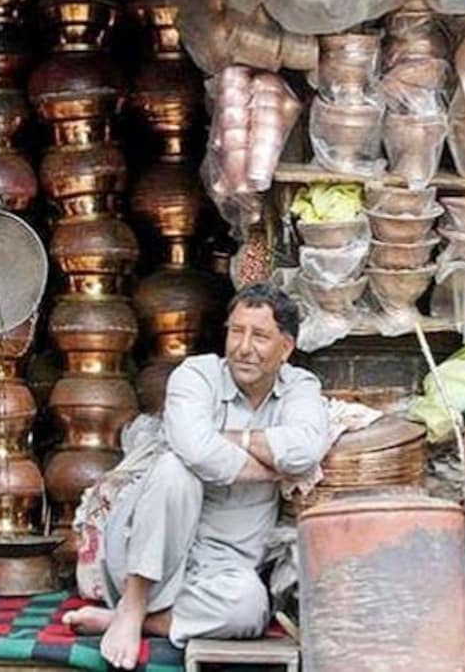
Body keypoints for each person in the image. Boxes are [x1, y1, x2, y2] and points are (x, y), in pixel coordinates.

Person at [62, 283, 331, 669]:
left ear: (286, 348)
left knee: (250, 609)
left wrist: (231, 439)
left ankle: (133, 622)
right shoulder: (196, 374)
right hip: (146, 554)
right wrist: (271, 468)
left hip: (222, 569)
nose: (243, 347)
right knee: (176, 468)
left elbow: (304, 451)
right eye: (236, 331)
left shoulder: (301, 387)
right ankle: (133, 605)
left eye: (260, 336)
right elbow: (193, 448)